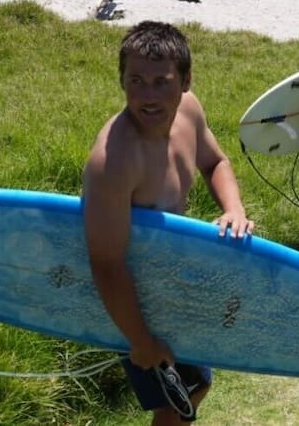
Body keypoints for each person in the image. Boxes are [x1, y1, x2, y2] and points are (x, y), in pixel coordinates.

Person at [83, 21, 253, 426]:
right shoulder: (114, 161)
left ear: (186, 81)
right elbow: (105, 262)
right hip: (131, 298)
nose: (148, 95)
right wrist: (140, 341)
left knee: (195, 387)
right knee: (179, 401)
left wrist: (234, 209)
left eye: (162, 82)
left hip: (174, 282)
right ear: (121, 81)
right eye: (136, 81)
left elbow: (216, 162)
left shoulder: (189, 111)